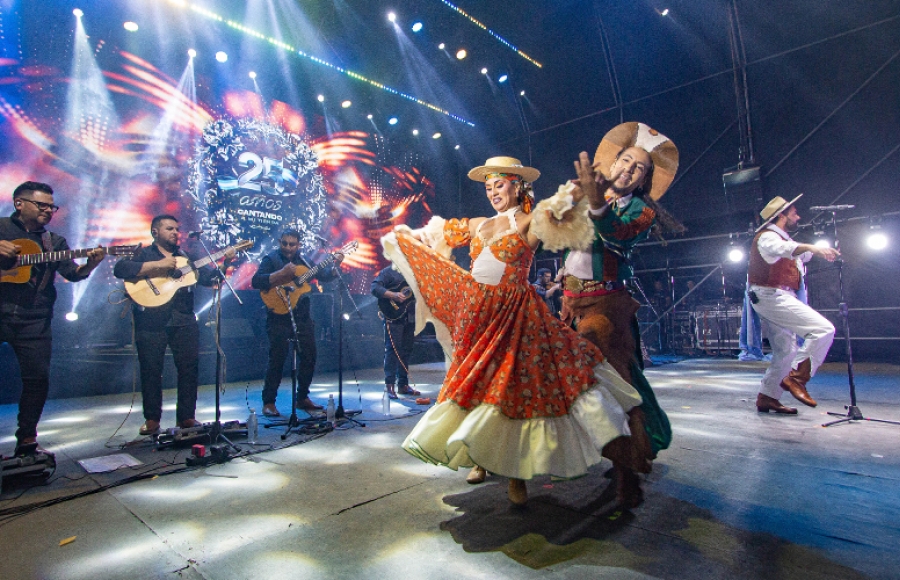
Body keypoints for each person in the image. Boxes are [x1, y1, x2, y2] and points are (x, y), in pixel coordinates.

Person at [383, 156, 642, 506]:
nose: (493, 193)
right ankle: (478, 458)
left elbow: (557, 210)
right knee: (476, 385)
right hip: (475, 315)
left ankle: (516, 475)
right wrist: (408, 235)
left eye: (499, 185)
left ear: (517, 185)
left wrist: (580, 189)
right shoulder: (477, 224)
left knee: (512, 388)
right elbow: (438, 234)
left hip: (514, 314)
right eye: (488, 187)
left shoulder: (529, 221)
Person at [533, 122, 681, 507]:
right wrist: (571, 198)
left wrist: (596, 202)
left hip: (606, 307)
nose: (629, 170)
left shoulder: (640, 210)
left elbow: (617, 233)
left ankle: (627, 467)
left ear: (645, 181)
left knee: (609, 381)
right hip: (570, 302)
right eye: (627, 161)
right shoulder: (588, 193)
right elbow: (553, 225)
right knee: (566, 379)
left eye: (640, 170)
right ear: (613, 161)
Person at [0, 181, 105, 455]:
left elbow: (73, 274)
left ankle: (27, 438)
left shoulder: (53, 242)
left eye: (51, 206)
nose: (49, 210)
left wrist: (91, 265)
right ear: (19, 203)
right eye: (42, 205)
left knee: (37, 379)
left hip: (34, 319)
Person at [113, 215, 234, 436]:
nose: (175, 232)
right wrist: (158, 266)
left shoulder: (187, 257)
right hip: (151, 320)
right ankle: (152, 419)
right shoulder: (143, 253)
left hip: (184, 319)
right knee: (151, 369)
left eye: (177, 229)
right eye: (169, 228)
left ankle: (186, 417)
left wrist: (225, 262)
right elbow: (120, 269)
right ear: (155, 232)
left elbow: (209, 280)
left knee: (189, 369)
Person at [748, 195, 839, 414]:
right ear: (781, 215)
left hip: (775, 296)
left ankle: (767, 397)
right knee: (823, 329)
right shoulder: (767, 237)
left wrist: (821, 249)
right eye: (793, 213)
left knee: (786, 351)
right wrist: (814, 248)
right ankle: (797, 379)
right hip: (771, 296)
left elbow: (800, 254)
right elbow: (786, 250)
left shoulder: (784, 240)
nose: (798, 216)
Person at [251, 230, 343, 416]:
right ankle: (269, 402)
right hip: (278, 317)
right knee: (277, 359)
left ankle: (302, 397)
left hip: (302, 316)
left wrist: (336, 264)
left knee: (309, 356)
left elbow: (324, 275)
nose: (288, 248)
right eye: (284, 243)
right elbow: (256, 281)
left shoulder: (306, 261)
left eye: (292, 244)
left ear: (299, 245)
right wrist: (280, 274)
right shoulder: (271, 259)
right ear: (280, 242)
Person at [371, 266, 420, 399]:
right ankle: (389, 385)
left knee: (406, 350)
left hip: (409, 315)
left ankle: (403, 385)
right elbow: (374, 288)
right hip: (392, 315)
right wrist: (393, 295)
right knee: (392, 349)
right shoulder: (388, 271)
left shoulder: (413, 272)